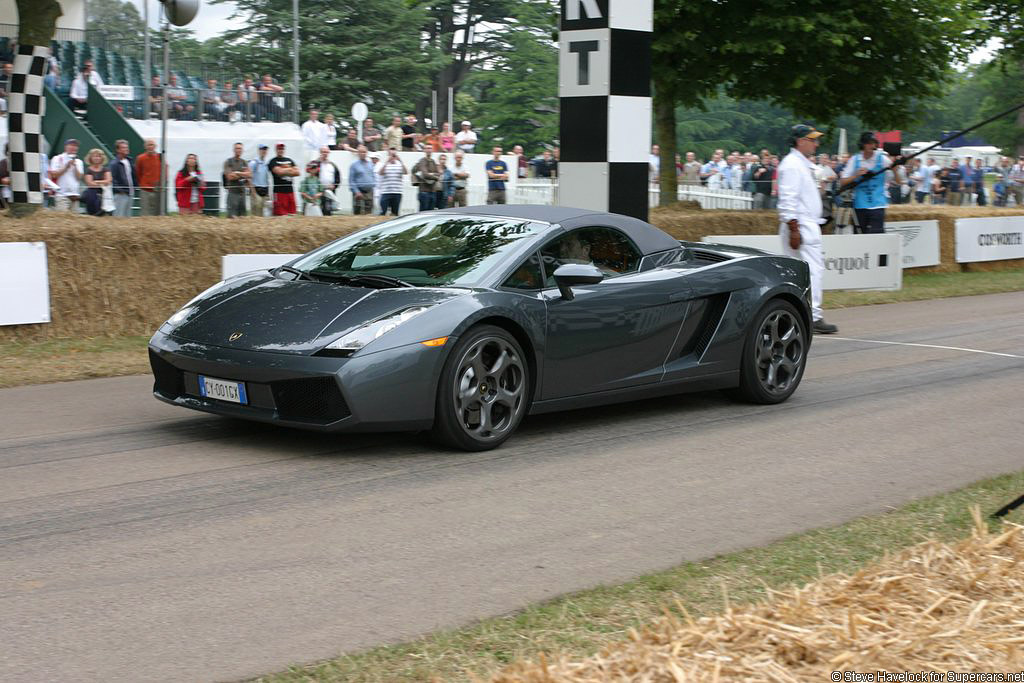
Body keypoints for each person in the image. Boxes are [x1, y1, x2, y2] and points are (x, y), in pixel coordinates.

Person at [777, 124, 837, 335]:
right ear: (800, 141)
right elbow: (787, 199)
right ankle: (814, 315)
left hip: (802, 223)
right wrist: (794, 228)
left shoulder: (798, 163)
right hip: (801, 224)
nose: (816, 144)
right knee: (813, 270)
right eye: (812, 140)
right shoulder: (793, 165)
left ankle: (801, 314)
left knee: (798, 272)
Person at [838, 132, 894, 234]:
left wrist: (896, 166)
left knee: (876, 234)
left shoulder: (882, 159)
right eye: (868, 143)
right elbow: (842, 182)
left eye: (873, 143)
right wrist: (856, 175)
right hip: (860, 205)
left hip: (878, 204)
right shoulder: (854, 160)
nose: (871, 146)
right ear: (862, 144)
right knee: (860, 235)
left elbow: (898, 180)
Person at [49, 138, 84, 212]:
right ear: (66, 147)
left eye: (75, 146)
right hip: (62, 195)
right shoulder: (57, 158)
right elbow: (54, 175)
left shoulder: (79, 161)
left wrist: (74, 166)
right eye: (71, 145)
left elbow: (79, 177)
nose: (73, 147)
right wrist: (66, 167)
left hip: (74, 195)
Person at [267, 142, 300, 215]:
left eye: (282, 149)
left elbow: (297, 172)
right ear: (276, 150)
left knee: (292, 213)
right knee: (280, 214)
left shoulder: (289, 160)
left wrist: (284, 169)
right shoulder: (273, 161)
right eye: (279, 148)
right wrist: (290, 169)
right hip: (279, 192)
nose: (281, 150)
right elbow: (279, 172)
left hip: (290, 191)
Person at [107, 139, 137, 217]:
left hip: (130, 192)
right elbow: (112, 178)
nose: (126, 149)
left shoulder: (129, 161)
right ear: (118, 150)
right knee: (118, 216)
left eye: (127, 147)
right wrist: (120, 190)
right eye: (123, 147)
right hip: (121, 194)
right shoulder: (114, 163)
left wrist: (134, 186)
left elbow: (133, 175)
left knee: (127, 216)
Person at [135, 138, 163, 215]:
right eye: (148, 145)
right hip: (145, 189)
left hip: (157, 189)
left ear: (155, 146)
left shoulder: (160, 157)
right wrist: (143, 183)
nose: (150, 147)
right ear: (145, 147)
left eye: (152, 145)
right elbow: (138, 172)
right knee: (145, 212)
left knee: (157, 212)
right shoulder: (140, 158)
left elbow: (164, 171)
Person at [223, 142, 251, 218]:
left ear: (242, 150)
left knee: (242, 217)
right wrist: (243, 174)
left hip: (242, 192)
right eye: (237, 148)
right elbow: (229, 177)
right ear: (233, 150)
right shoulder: (228, 162)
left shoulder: (244, 162)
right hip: (232, 192)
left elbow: (250, 175)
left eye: (240, 148)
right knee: (232, 217)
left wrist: (237, 173)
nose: (239, 150)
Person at [81, 148, 112, 216]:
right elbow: (90, 183)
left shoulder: (106, 169)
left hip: (105, 194)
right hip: (92, 195)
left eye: (98, 156)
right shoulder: (88, 170)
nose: (96, 158)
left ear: (102, 158)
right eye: (94, 156)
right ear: (90, 158)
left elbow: (108, 181)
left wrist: (96, 181)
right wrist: (102, 183)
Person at [377, 147, 406, 216]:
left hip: (397, 192)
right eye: (391, 155)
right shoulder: (384, 164)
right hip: (386, 192)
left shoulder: (399, 164)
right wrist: (387, 162)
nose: (392, 157)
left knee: (395, 213)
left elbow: (405, 172)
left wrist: (401, 161)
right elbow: (380, 173)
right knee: (383, 212)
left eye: (394, 155)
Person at [348, 145, 376, 215]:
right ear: (358, 153)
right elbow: (351, 180)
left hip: (369, 191)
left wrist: (373, 184)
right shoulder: (354, 165)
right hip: (359, 192)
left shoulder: (371, 164)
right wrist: (356, 191)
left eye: (364, 152)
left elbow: (373, 176)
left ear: (367, 153)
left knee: (369, 212)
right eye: (361, 152)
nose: (363, 154)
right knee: (357, 212)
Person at [316, 146, 340, 215]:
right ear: (320, 153)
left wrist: (334, 186)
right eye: (323, 152)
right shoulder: (315, 164)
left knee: (328, 210)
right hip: (318, 191)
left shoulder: (332, 165)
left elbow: (337, 178)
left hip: (329, 191)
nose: (325, 154)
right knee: (318, 210)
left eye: (326, 152)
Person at [248, 144, 271, 217]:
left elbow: (266, 179)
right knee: (256, 216)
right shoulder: (254, 162)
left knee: (265, 215)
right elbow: (249, 178)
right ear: (259, 151)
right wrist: (254, 193)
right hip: (256, 191)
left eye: (265, 149)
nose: (264, 151)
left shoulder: (266, 163)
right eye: (262, 149)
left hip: (265, 191)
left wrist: (268, 193)